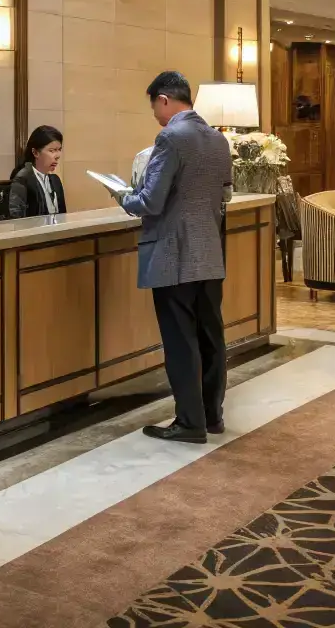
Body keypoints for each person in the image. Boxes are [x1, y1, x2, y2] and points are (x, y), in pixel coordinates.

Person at [114, 71, 233, 445]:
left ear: (164, 99)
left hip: (173, 255)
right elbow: (225, 195)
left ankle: (189, 423)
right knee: (210, 337)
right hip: (209, 254)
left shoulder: (170, 137)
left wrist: (121, 196)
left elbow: (150, 200)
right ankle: (212, 416)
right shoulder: (217, 140)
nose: (155, 115)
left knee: (181, 341)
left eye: (154, 107)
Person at [8, 125, 67, 217]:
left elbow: (63, 216)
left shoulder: (55, 180)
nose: (57, 155)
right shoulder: (22, 179)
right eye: (52, 151)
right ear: (35, 152)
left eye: (59, 150)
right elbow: (17, 220)